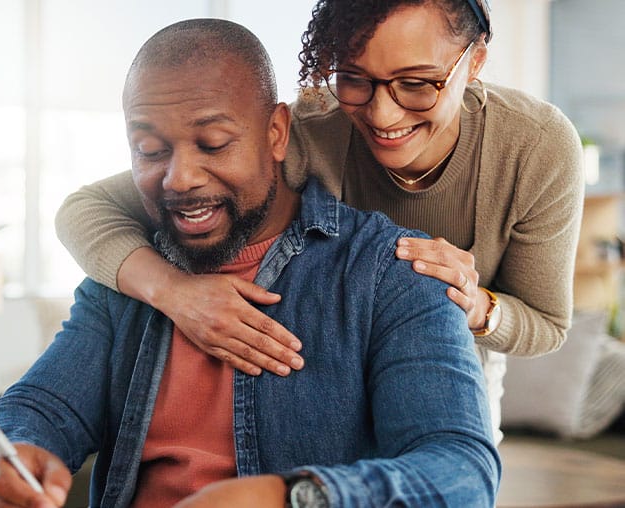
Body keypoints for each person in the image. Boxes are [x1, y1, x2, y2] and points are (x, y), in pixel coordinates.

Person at [0, 18, 499, 508]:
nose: (179, 178)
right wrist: (7, 458)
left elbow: (460, 473)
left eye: (214, 143)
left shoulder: (392, 272)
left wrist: (290, 496)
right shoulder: (126, 277)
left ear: (276, 134)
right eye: (149, 150)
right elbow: (38, 408)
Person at [54, 0, 585, 443]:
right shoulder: (312, 126)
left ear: (474, 63)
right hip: (327, 367)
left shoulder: (535, 147)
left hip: (452, 361)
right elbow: (86, 210)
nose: (382, 115)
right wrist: (176, 292)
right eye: (355, 81)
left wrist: (476, 307)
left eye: (418, 85)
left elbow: (547, 324)